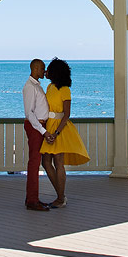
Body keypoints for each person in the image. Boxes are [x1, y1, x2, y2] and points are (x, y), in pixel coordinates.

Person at [40, 57, 89, 207]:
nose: (46, 71)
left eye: (49, 69)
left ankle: (60, 198)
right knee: (46, 162)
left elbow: (67, 114)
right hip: (48, 126)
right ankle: (61, 195)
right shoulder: (50, 87)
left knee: (58, 162)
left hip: (60, 128)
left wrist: (56, 133)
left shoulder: (65, 89)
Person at [21, 58, 53, 211]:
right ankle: (32, 200)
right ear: (34, 69)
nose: (44, 71)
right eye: (42, 69)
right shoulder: (29, 87)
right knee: (34, 163)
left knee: (36, 163)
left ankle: (33, 198)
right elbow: (30, 113)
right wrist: (43, 131)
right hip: (36, 127)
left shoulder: (37, 86)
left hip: (40, 126)